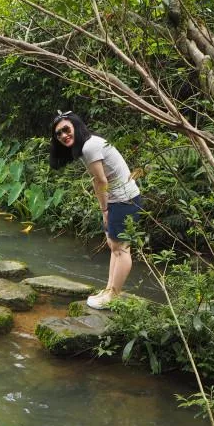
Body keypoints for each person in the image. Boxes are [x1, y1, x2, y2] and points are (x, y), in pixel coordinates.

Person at [49, 111, 143, 309]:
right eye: (59, 134)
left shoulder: (90, 146)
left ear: (76, 125)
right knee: (114, 246)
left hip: (124, 200)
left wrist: (105, 209)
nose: (63, 135)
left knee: (121, 249)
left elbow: (100, 181)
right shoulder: (88, 145)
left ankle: (113, 296)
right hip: (122, 198)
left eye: (66, 129)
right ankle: (109, 289)